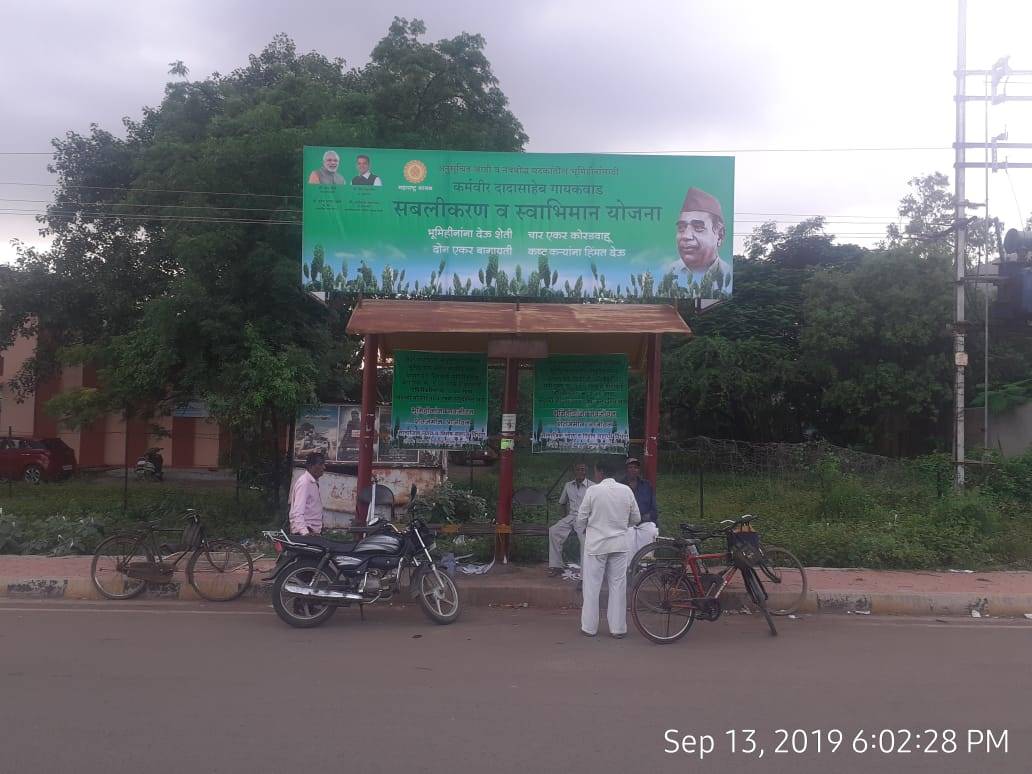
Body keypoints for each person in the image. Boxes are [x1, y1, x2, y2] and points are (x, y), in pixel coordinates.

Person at [575, 459, 641, 638]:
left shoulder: (593, 491)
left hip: (596, 545)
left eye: (595, 471)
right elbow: (636, 519)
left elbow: (581, 518)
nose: (594, 475)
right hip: (619, 544)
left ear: (600, 473)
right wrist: (621, 525)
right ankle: (618, 629)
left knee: (592, 587)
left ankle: (589, 627)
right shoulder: (626, 490)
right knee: (618, 587)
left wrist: (584, 530)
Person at [665, 187, 732, 292]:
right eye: (681, 228)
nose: (686, 236)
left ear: (720, 235)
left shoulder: (728, 274)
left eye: (698, 227)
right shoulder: (667, 273)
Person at [547, 462, 595, 577]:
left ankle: (584, 576)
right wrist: (564, 519)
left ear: (586, 471)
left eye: (582, 469)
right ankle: (557, 566)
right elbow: (562, 503)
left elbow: (596, 506)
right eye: (578, 469)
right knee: (553, 531)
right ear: (574, 471)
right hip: (571, 517)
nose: (580, 472)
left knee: (584, 541)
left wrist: (590, 522)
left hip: (584, 519)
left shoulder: (592, 486)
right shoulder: (568, 485)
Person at [289, 451, 325, 536]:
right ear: (311, 466)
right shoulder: (304, 483)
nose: (324, 467)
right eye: (321, 464)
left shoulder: (312, 482)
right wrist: (305, 533)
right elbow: (297, 512)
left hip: (312, 532)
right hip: (306, 533)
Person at [622, 457, 658, 527]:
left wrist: (644, 518)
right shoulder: (620, 485)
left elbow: (654, 511)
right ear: (626, 470)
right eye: (630, 467)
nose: (633, 470)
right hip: (626, 526)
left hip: (644, 524)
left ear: (639, 470)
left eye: (636, 467)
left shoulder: (647, 485)